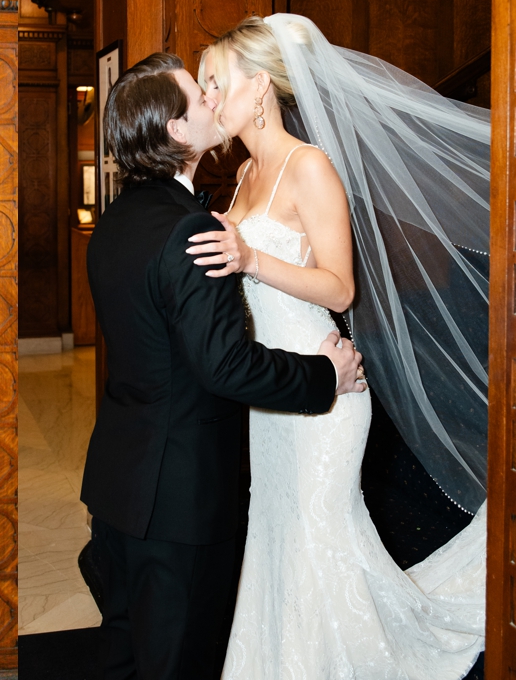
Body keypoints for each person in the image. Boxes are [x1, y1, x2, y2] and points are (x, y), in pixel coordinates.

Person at [185, 14, 487, 677]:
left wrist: (250, 257)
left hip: (325, 393)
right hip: (271, 393)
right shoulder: (245, 174)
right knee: (278, 533)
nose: (207, 97)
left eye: (216, 82)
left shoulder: (309, 166)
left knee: (319, 540)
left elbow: (341, 287)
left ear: (259, 87)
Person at [81, 51, 367, 680]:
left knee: (124, 653)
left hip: (120, 481)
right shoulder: (189, 230)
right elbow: (226, 367)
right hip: (178, 496)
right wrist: (326, 376)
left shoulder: (118, 219)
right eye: (199, 94)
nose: (211, 100)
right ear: (178, 131)